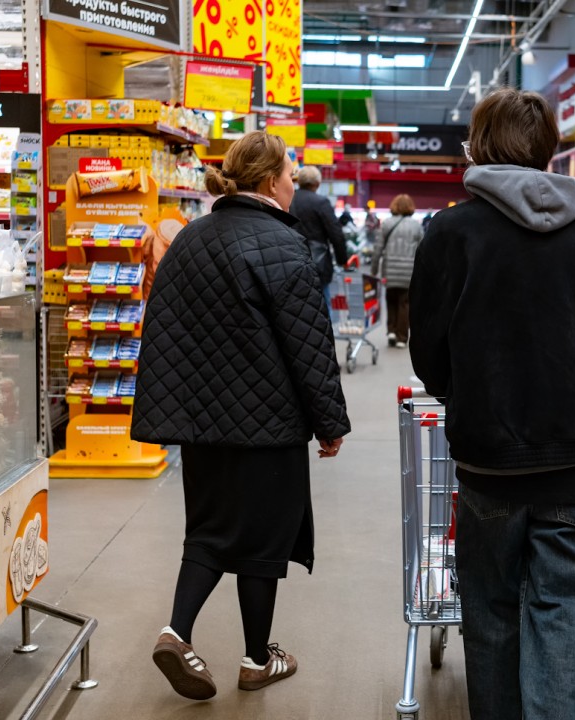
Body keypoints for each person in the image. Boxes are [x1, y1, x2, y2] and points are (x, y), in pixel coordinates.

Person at [409, 88, 575, 720]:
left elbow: (427, 352)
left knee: (490, 611)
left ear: (479, 146)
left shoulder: (450, 232)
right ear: (547, 148)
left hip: (487, 465)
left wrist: (470, 393)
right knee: (568, 610)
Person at [132, 131, 351, 701]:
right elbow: (308, 344)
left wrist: (171, 411)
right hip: (268, 424)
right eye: (289, 174)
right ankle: (256, 659)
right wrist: (329, 422)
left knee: (209, 531)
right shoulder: (282, 244)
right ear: (270, 181)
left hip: (201, 426)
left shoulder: (191, 238)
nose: (292, 183)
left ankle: (176, 632)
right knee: (264, 540)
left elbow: (163, 332)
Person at [371, 193, 423, 348]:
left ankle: (391, 331)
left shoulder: (386, 224)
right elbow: (422, 250)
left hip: (390, 270)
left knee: (390, 299)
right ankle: (402, 337)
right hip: (409, 271)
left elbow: (378, 249)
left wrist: (374, 269)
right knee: (404, 303)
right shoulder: (416, 226)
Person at [289, 166, 348, 288]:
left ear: (299, 181)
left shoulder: (288, 200)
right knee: (322, 297)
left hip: (290, 260)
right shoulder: (321, 202)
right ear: (317, 183)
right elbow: (336, 234)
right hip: (317, 263)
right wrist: (342, 260)